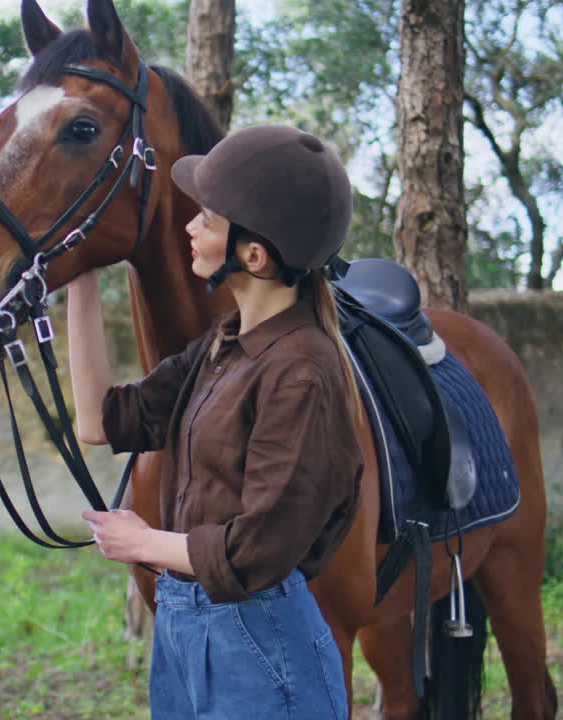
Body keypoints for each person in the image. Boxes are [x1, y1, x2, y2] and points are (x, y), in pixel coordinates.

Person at [66, 124, 364, 720]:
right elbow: (102, 422)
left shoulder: (301, 370)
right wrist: (82, 277)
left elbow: (258, 549)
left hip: (258, 641)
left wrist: (142, 541)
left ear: (253, 255)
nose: (189, 227)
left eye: (207, 218)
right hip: (183, 631)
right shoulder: (221, 345)